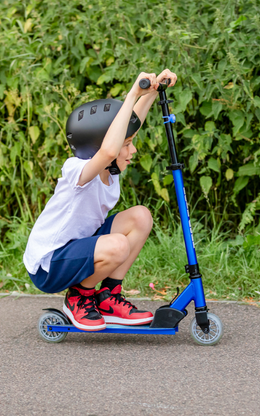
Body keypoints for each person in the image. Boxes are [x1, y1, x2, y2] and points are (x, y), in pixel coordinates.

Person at [23, 70, 177, 331]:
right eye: (126, 144)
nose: (133, 149)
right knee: (117, 245)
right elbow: (107, 150)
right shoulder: (77, 170)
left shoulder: (111, 171)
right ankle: (79, 298)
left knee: (141, 216)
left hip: (80, 247)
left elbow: (129, 125)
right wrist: (132, 93)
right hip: (49, 264)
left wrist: (151, 91)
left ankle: (108, 297)